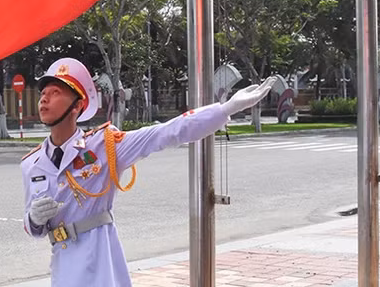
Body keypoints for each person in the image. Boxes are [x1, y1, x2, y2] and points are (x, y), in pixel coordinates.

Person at [21, 57, 275, 286]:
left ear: (77, 106)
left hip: (99, 260)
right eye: (43, 93)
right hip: (62, 264)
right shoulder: (32, 164)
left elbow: (166, 132)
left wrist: (225, 109)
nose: (44, 98)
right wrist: (33, 219)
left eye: (55, 93)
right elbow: (34, 229)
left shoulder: (105, 145)